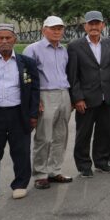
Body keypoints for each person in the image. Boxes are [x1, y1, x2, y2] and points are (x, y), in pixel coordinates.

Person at [0, 24, 40, 204]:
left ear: (14, 40)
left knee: (21, 151)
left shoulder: (27, 63)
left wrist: (33, 114)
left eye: (8, 38)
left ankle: (20, 184)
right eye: (0, 38)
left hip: (18, 113)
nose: (4, 41)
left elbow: (34, 90)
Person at [67, 11, 110, 177]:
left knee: (104, 132)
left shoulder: (109, 44)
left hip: (107, 97)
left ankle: (101, 161)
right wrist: (77, 98)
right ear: (85, 26)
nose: (94, 27)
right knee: (83, 134)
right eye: (90, 24)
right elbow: (73, 76)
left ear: (102, 25)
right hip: (86, 99)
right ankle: (84, 165)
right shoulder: (75, 46)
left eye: (97, 24)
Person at [23, 16, 74, 189]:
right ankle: (40, 174)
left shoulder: (63, 50)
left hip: (64, 93)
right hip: (45, 94)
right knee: (44, 137)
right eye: (53, 28)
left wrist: (70, 98)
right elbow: (26, 76)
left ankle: (54, 170)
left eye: (60, 28)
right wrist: (34, 100)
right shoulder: (33, 49)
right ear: (43, 30)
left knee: (61, 136)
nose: (57, 31)